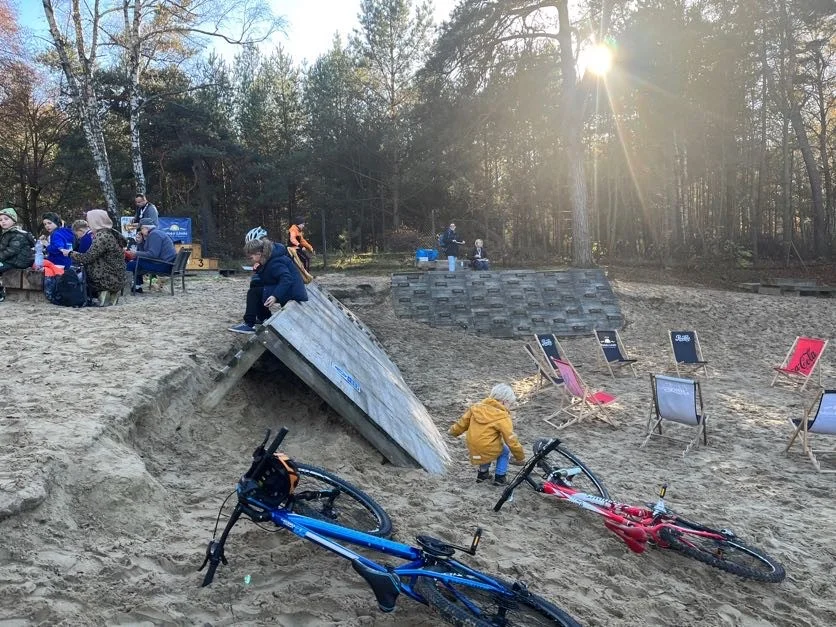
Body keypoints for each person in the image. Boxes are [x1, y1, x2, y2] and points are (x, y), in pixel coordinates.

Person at [449, 383, 525, 486]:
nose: (509, 408)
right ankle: (500, 477)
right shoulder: (502, 416)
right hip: (487, 445)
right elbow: (511, 439)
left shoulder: (476, 407)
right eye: (510, 404)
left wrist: (453, 431)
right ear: (504, 402)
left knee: (485, 448)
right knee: (504, 451)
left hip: (473, 444)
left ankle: (482, 474)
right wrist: (519, 456)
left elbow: (462, 423)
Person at [229, 238, 308, 334]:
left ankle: (249, 324)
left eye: (251, 258)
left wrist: (275, 296)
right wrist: (259, 268)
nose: (250, 261)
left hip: (292, 292)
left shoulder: (275, 261)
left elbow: (286, 279)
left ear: (259, 253)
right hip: (290, 289)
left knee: (253, 293)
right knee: (255, 284)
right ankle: (264, 317)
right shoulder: (270, 257)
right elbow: (270, 277)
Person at [68, 210, 128, 305]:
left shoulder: (102, 236)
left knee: (84, 267)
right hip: (118, 277)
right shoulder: (111, 232)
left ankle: (104, 291)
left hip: (108, 279)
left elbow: (87, 257)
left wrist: (70, 253)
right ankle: (111, 293)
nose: (88, 224)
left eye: (89, 220)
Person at [125, 217, 176, 293]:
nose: (140, 232)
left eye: (141, 229)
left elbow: (152, 254)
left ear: (146, 228)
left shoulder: (154, 235)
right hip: (166, 263)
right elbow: (145, 253)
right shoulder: (155, 233)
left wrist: (135, 253)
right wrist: (140, 242)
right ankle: (137, 286)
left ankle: (132, 287)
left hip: (164, 265)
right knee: (136, 261)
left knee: (131, 264)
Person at [0, 208, 36, 302]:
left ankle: (0, 294)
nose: (3, 221)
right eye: (1, 220)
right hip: (12, 259)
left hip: (19, 261)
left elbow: (12, 250)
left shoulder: (17, 234)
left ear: (14, 220)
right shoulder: (7, 233)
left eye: (6, 219)